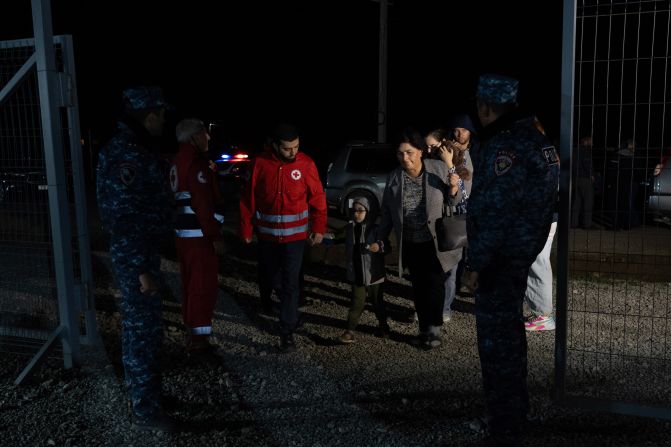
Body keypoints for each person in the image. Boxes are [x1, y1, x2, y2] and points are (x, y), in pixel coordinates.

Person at [462, 74, 559, 446]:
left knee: (497, 346)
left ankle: (504, 426)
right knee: (512, 341)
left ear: (486, 106)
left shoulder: (504, 147)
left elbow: (493, 212)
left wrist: (475, 264)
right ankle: (513, 414)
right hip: (520, 256)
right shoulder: (539, 142)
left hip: (499, 262)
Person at [96, 86, 176, 432]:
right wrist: (141, 269)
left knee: (147, 329)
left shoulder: (136, 148)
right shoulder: (127, 154)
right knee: (141, 331)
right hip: (136, 255)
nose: (163, 122)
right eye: (161, 115)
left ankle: (149, 395)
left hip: (142, 251)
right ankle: (145, 409)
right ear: (150, 115)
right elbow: (123, 215)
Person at [239, 123, 327, 352]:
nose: (293, 152)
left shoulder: (306, 164)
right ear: (275, 146)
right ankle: (283, 311)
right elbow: (248, 199)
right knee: (270, 278)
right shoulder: (259, 164)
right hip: (267, 238)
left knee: (290, 284)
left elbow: (317, 197)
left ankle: (287, 331)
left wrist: (319, 226)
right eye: (287, 148)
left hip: (295, 240)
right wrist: (246, 229)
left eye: (296, 147)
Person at [377, 127, 462, 349]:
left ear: (421, 151)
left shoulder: (437, 169)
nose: (405, 158)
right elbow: (387, 212)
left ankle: (434, 331)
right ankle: (425, 329)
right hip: (410, 243)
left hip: (435, 242)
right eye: (400, 153)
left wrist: (453, 187)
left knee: (434, 285)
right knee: (418, 287)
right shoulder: (395, 177)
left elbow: (453, 203)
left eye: (409, 152)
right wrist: (380, 237)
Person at [170, 118, 225, 354]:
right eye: (204, 133)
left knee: (189, 284)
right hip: (199, 237)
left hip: (183, 236)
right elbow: (203, 203)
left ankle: (191, 330)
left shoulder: (176, 161)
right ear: (193, 137)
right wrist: (214, 236)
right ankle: (199, 341)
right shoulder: (196, 164)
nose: (208, 137)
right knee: (202, 287)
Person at [329, 196, 390, 344]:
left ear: (368, 211)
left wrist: (379, 247)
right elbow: (334, 237)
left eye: (360, 210)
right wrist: (320, 236)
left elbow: (387, 246)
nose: (356, 213)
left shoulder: (375, 229)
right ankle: (349, 331)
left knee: (378, 304)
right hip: (356, 274)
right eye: (354, 210)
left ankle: (384, 327)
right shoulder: (349, 228)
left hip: (374, 275)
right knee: (356, 303)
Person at [571, 135, 596, 229]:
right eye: (591, 141)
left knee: (576, 202)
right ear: (586, 141)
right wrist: (591, 175)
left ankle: (574, 223)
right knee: (588, 201)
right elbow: (587, 163)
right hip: (585, 179)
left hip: (576, 179)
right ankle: (587, 224)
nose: (592, 143)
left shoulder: (574, 150)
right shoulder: (585, 151)